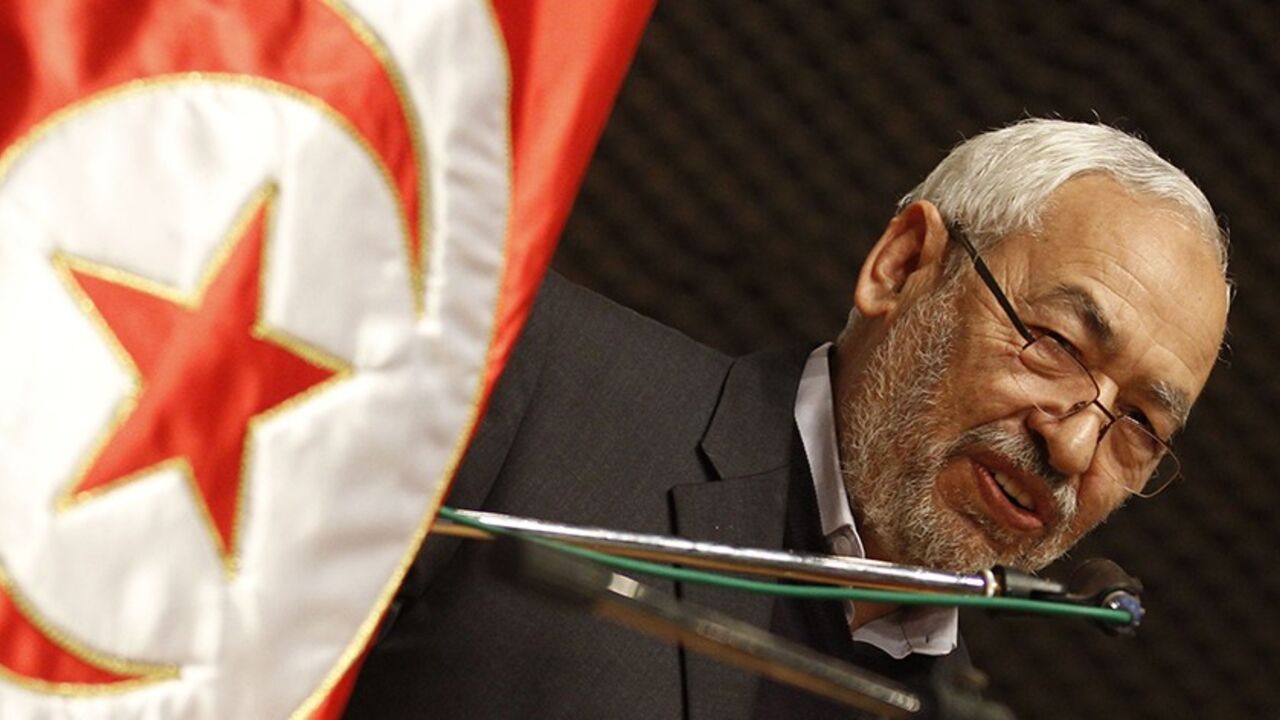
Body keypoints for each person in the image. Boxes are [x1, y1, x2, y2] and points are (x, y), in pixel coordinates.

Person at [343, 119, 1230, 719]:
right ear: (902, 265)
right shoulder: (527, 377)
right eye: (1056, 342)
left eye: (1141, 424)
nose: (1075, 445)